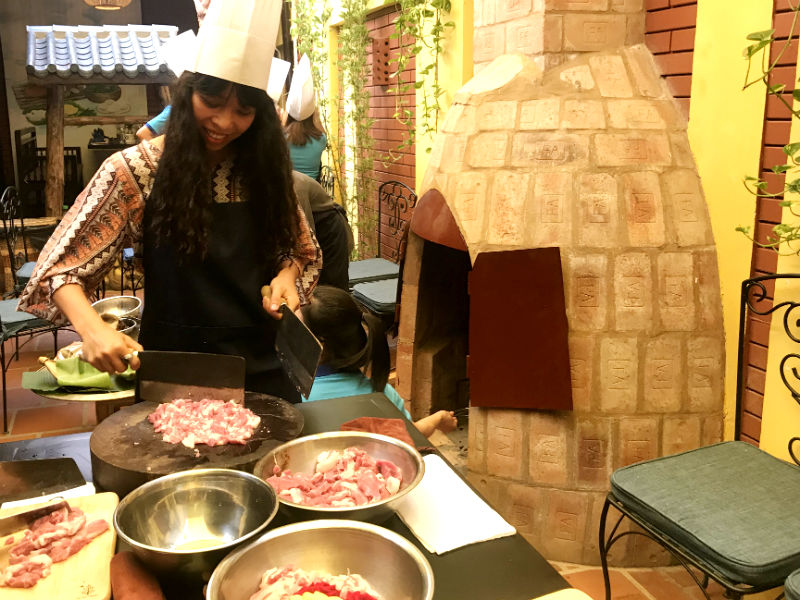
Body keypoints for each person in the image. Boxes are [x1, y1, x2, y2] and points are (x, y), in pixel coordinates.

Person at [19, 0, 321, 403]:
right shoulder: (135, 170)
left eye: (243, 110)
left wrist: (286, 276)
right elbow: (58, 268)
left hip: (264, 369)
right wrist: (92, 329)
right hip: (173, 373)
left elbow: (300, 250)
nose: (224, 122)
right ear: (186, 93)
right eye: (212, 102)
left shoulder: (265, 170)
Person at [300, 286, 457, 438]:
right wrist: (438, 419)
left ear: (315, 342)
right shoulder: (383, 394)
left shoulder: (298, 392)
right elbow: (410, 435)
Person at [293, 170, 353, 291]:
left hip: (329, 233)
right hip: (312, 230)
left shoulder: (295, 186)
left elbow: (306, 238)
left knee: (332, 290)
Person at [285, 55, 326, 181]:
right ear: (312, 113)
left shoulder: (280, 138)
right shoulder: (321, 139)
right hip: (313, 192)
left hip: (286, 191)